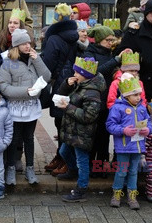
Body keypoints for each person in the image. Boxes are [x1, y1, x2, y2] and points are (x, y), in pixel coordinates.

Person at [0, 29, 51, 185]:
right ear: (17, 45)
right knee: (14, 140)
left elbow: (46, 77)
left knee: (29, 139)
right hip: (15, 107)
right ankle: (11, 169)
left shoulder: (34, 59)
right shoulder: (8, 63)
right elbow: (4, 87)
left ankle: (30, 169)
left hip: (31, 107)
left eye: (29, 43)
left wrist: (37, 60)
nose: (28, 46)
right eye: (24, 43)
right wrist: (25, 91)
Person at [54, 57, 106, 202]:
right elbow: (61, 93)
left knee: (82, 160)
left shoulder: (92, 92)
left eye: (77, 72)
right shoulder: (80, 84)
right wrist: (66, 84)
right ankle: (72, 170)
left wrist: (68, 107)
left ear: (86, 74)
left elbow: (89, 116)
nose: (74, 74)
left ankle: (81, 189)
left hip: (83, 133)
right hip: (72, 130)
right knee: (64, 151)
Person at [84, 26, 131, 176]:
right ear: (99, 40)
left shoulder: (110, 53)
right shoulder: (89, 53)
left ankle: (101, 167)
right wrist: (116, 60)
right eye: (107, 40)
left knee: (104, 138)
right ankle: (90, 167)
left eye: (112, 40)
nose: (110, 43)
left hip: (107, 102)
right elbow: (95, 72)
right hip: (94, 101)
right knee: (93, 137)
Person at [41, 4, 78, 175]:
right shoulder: (75, 37)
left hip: (60, 84)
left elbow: (48, 65)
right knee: (69, 122)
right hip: (74, 81)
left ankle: (64, 160)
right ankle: (60, 156)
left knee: (60, 122)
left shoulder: (53, 38)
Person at [106, 73, 152, 210]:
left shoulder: (142, 108)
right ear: (126, 95)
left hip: (138, 147)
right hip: (124, 147)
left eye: (139, 94)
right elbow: (110, 125)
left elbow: (149, 123)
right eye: (135, 95)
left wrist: (148, 130)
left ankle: (132, 196)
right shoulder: (117, 107)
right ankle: (116, 195)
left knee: (133, 172)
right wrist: (123, 130)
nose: (139, 97)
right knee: (121, 171)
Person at [0, 8, 31, 81]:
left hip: (21, 78)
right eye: (10, 22)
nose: (12, 25)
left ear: (21, 25)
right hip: (4, 76)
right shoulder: (1, 39)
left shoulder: (27, 41)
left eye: (15, 23)